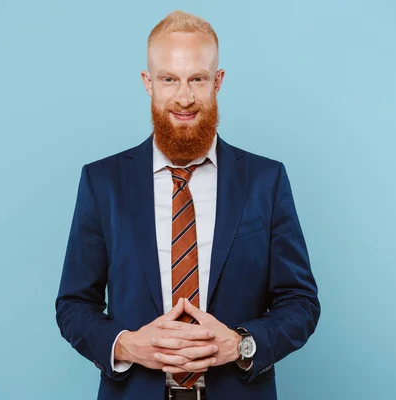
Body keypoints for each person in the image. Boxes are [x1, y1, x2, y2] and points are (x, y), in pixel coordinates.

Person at [55, 10, 320, 400]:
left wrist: (241, 345)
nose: (183, 97)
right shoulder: (103, 182)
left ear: (218, 81)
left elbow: (300, 302)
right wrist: (126, 346)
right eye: (169, 79)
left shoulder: (266, 180)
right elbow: (74, 304)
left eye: (197, 78)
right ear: (149, 84)